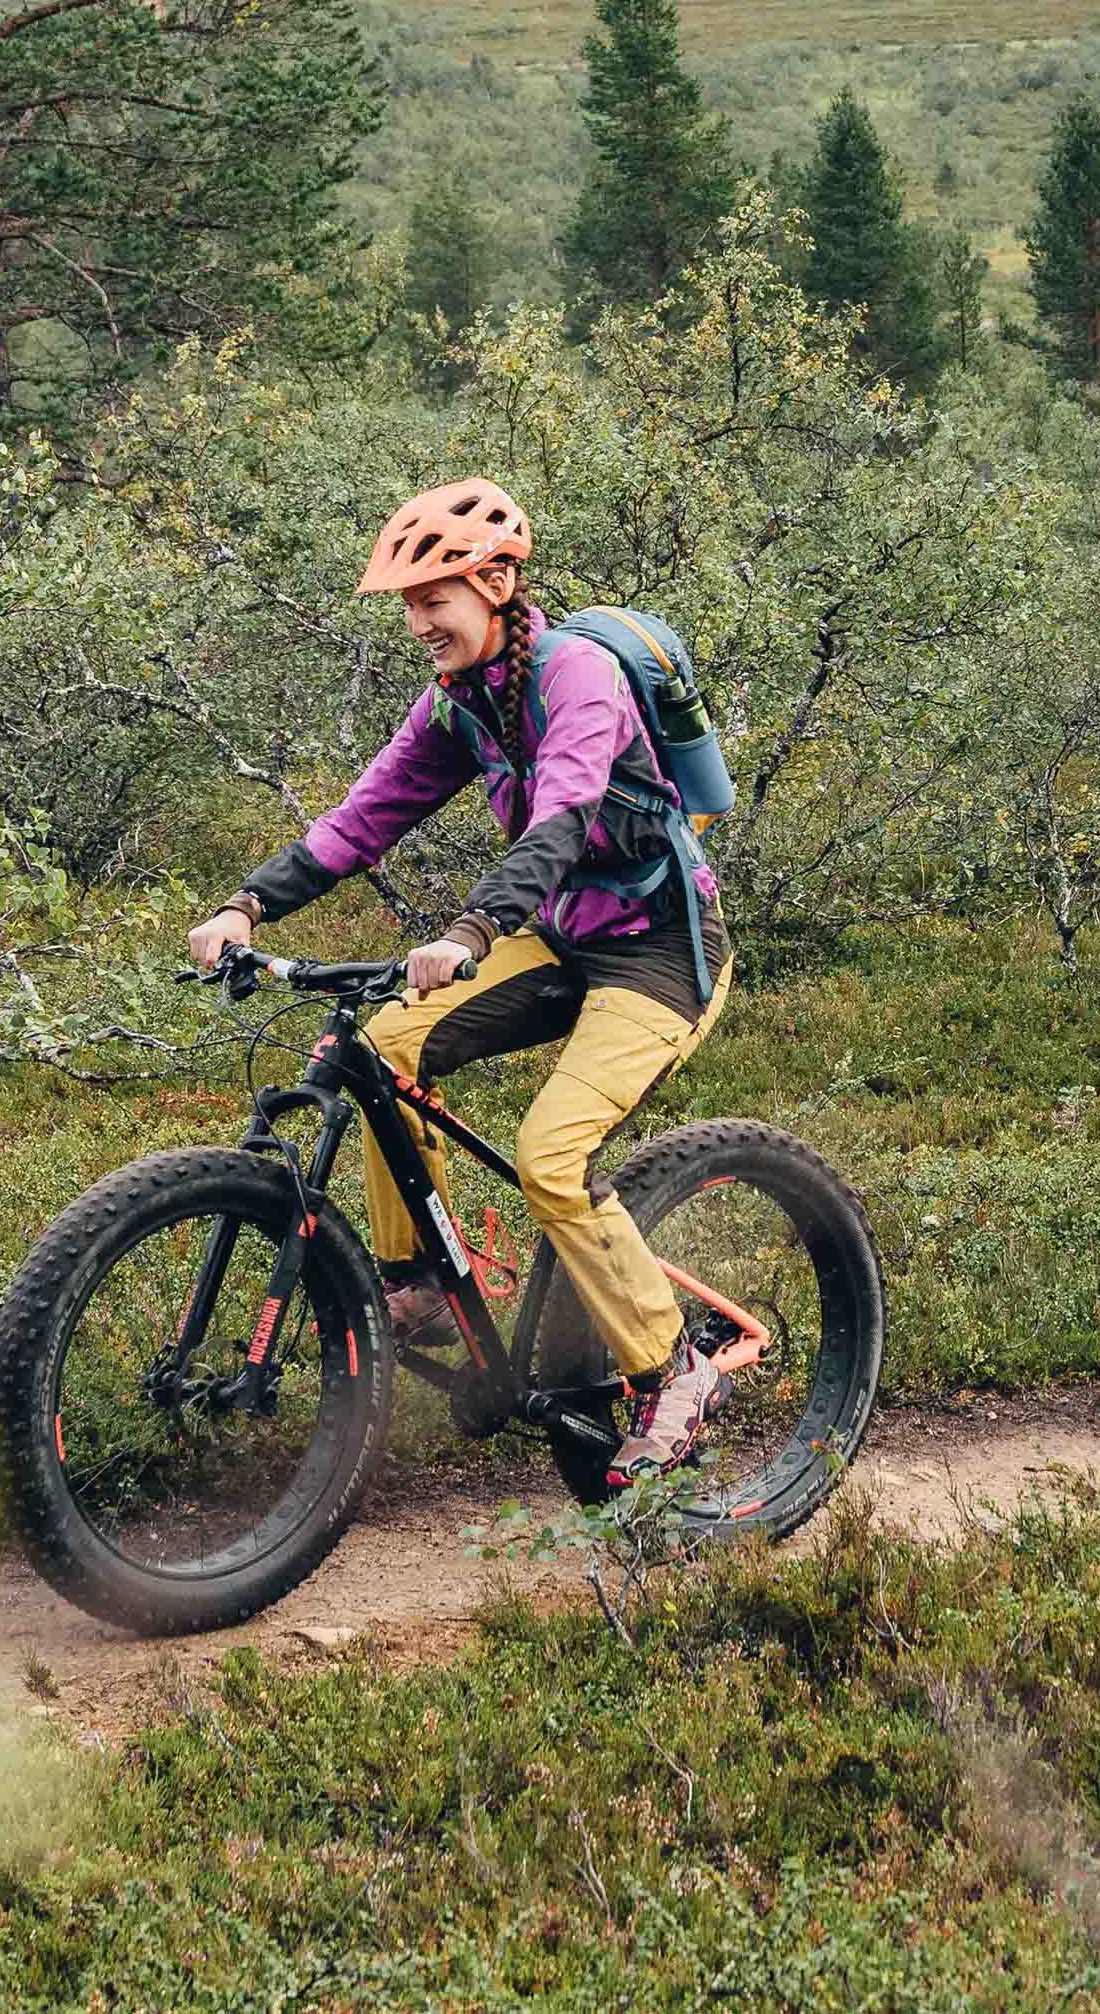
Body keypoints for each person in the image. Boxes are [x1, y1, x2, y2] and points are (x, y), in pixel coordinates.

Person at [184, 478, 735, 1488]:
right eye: (407, 601)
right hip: (565, 937)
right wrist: (245, 905)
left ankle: (674, 1366)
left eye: (432, 595)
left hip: (660, 950)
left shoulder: (579, 677)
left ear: (494, 580)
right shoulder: (458, 702)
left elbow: (562, 816)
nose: (417, 620)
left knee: (550, 1156)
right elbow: (359, 820)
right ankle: (423, 1283)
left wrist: (474, 927)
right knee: (386, 1044)